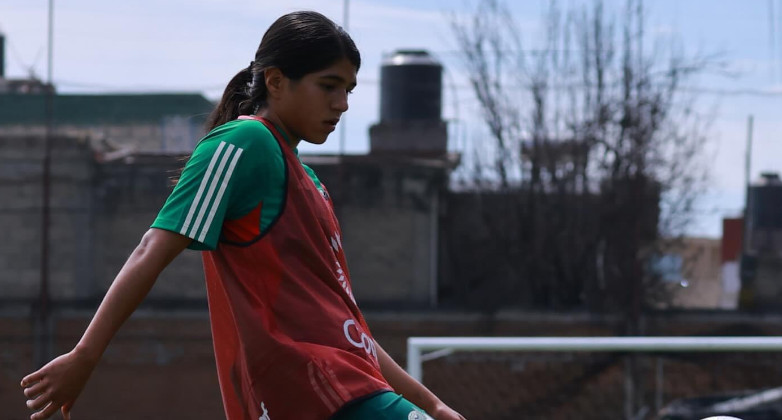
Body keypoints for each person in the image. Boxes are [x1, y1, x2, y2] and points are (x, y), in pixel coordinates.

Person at [20, 10, 465, 420]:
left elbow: (345, 327)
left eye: (348, 90)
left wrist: (432, 403)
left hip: (347, 385)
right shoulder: (245, 143)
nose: (342, 104)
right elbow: (151, 248)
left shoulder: (311, 182)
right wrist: (85, 355)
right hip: (316, 388)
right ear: (275, 81)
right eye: (328, 86)